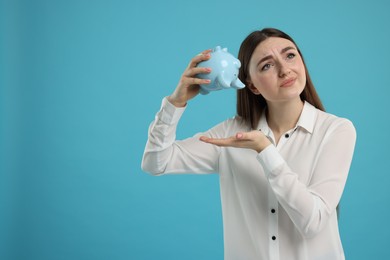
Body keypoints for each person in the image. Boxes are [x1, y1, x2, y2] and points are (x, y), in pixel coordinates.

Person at [141, 28, 356, 260]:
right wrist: (176, 102)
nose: (285, 70)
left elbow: (313, 222)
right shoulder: (232, 133)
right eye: (267, 65)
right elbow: (156, 162)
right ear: (252, 86)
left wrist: (266, 151)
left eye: (290, 55)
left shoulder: (336, 130)